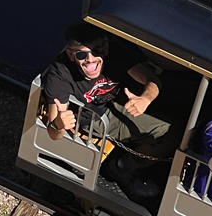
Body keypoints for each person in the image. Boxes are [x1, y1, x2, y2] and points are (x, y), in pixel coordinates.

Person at [42, 22, 176, 198]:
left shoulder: (117, 52)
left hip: (119, 102)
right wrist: (59, 124)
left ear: (105, 48)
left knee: (173, 130)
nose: (90, 59)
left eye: (96, 51)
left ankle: (127, 161)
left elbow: (152, 80)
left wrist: (145, 98)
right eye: (82, 54)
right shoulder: (60, 74)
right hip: (96, 117)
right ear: (71, 55)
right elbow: (53, 133)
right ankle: (121, 168)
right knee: (169, 137)